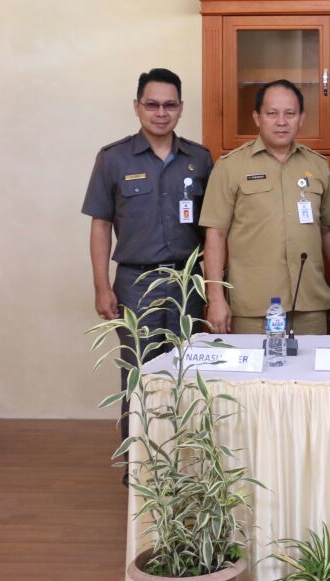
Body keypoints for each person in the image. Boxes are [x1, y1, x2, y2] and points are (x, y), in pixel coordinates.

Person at [81, 67, 212, 445]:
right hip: (135, 284)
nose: (161, 113)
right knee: (138, 374)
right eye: (152, 105)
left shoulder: (199, 159)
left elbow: (215, 229)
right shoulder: (113, 159)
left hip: (187, 283)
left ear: (181, 108)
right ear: (137, 106)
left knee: (188, 372)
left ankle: (185, 459)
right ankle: (139, 464)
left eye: (169, 105)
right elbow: (101, 225)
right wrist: (102, 287)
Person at [199, 79, 330, 334]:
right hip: (253, 306)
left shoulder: (318, 166)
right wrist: (216, 298)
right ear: (257, 118)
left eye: (290, 114)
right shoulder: (230, 167)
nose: (281, 122)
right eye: (272, 114)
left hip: (310, 303)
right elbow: (216, 235)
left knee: (312, 362)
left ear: (301, 118)